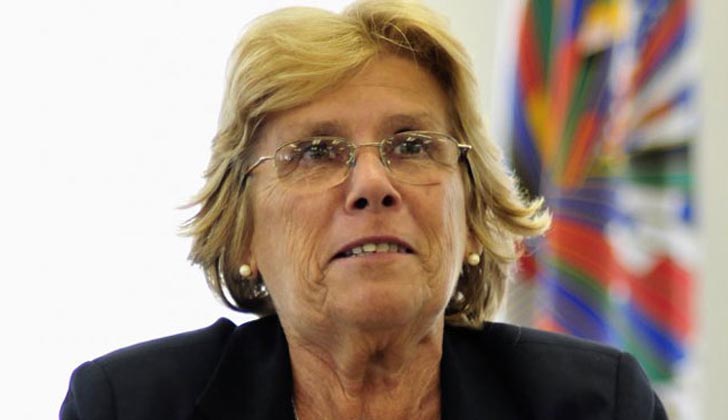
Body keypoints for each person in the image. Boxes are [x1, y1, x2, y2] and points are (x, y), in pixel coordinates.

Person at [60, 1, 667, 419]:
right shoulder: (128, 405)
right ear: (244, 233)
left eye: (413, 146)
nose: (373, 184)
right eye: (315, 153)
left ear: (471, 217)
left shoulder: (595, 404)